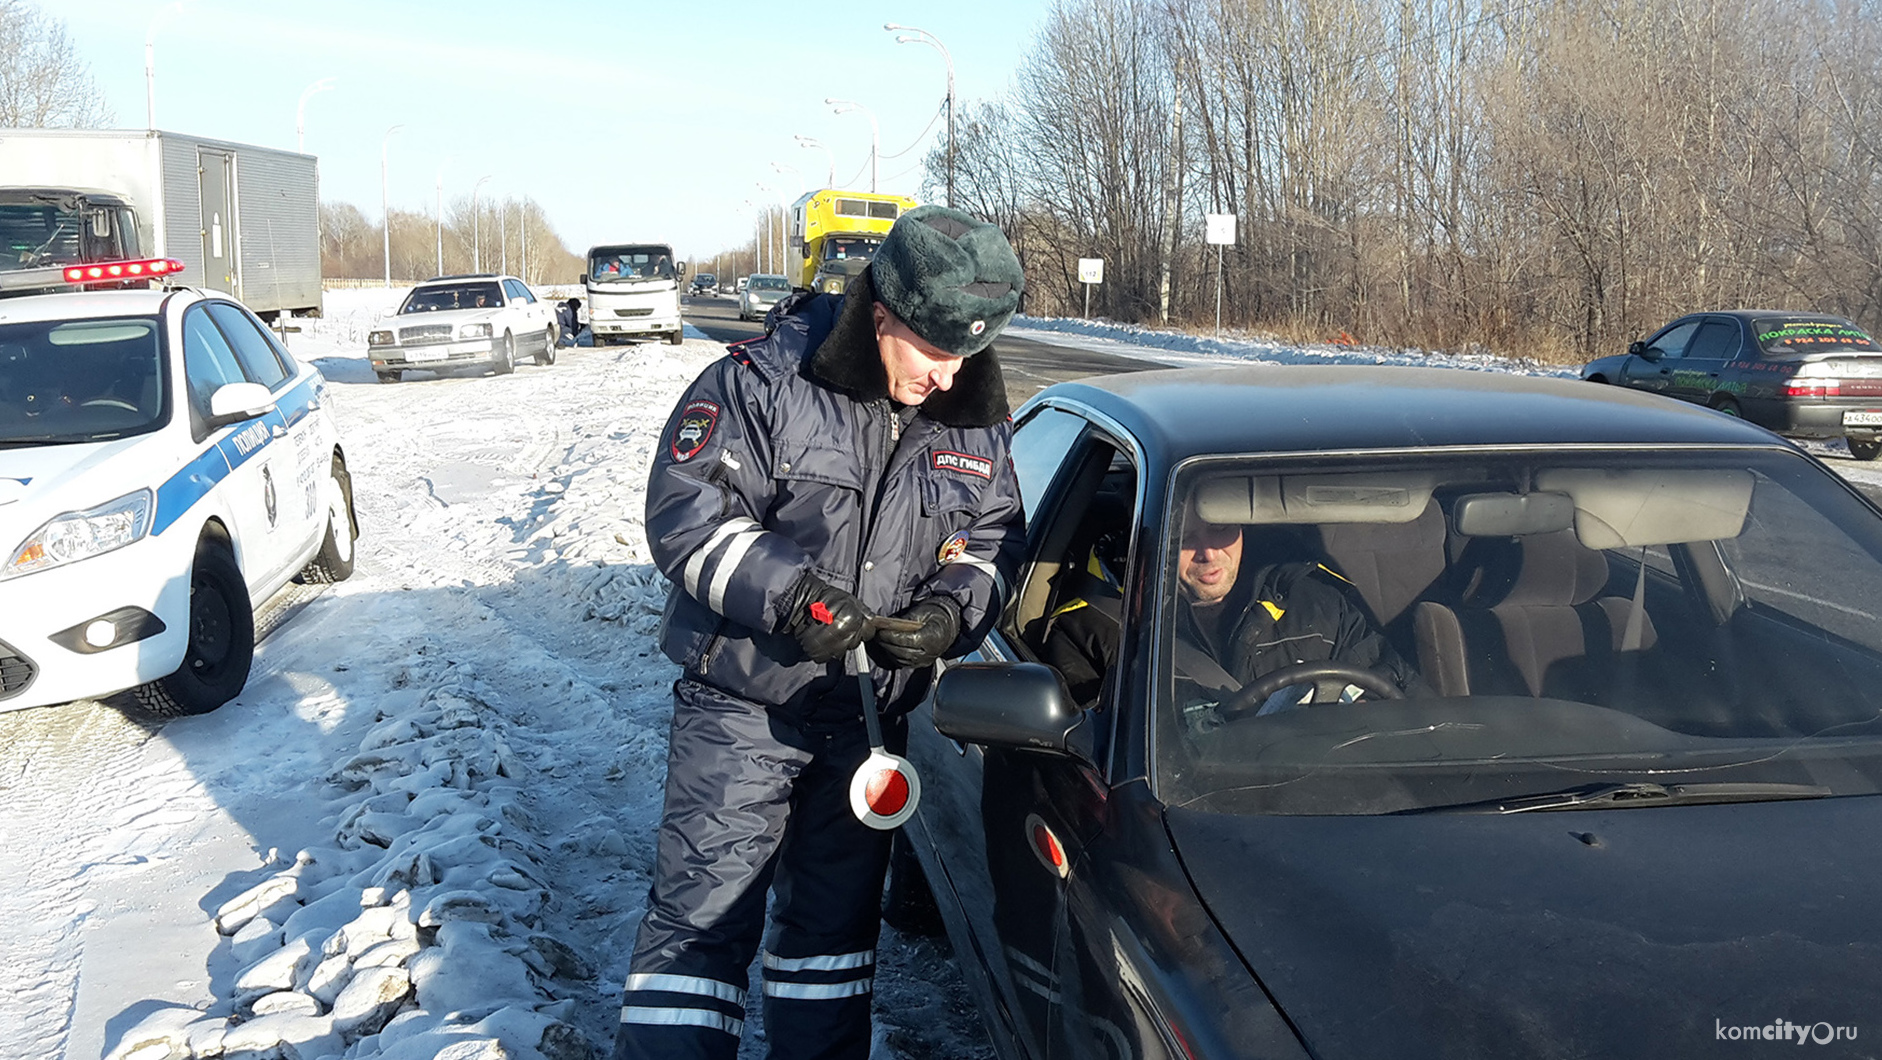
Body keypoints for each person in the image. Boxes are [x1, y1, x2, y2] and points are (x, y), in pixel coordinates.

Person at [620, 205, 1028, 1060]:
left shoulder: (974, 415)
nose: (949, 379)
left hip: (866, 728)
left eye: (965, 356)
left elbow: (991, 540)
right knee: (699, 938)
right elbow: (684, 518)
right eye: (932, 352)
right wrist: (794, 596)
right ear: (882, 314)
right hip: (742, 708)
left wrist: (952, 609)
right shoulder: (765, 380)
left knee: (830, 953)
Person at [1044, 499, 1424, 715]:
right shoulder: (1094, 630)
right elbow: (1090, 761)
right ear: (1151, 541)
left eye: (1222, 529)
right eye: (1185, 537)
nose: (1209, 553)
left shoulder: (1319, 603)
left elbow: (1399, 694)